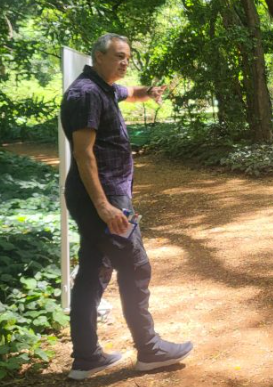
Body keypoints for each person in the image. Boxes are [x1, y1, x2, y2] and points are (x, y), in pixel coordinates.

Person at [61, 34, 193, 380]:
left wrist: (149, 91)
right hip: (102, 198)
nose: (125, 62)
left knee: (92, 273)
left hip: (104, 197)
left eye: (128, 57)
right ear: (98, 55)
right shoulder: (86, 94)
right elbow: (83, 153)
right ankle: (150, 350)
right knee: (135, 267)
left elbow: (129, 92)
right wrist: (104, 206)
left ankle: (87, 357)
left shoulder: (102, 87)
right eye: (119, 56)